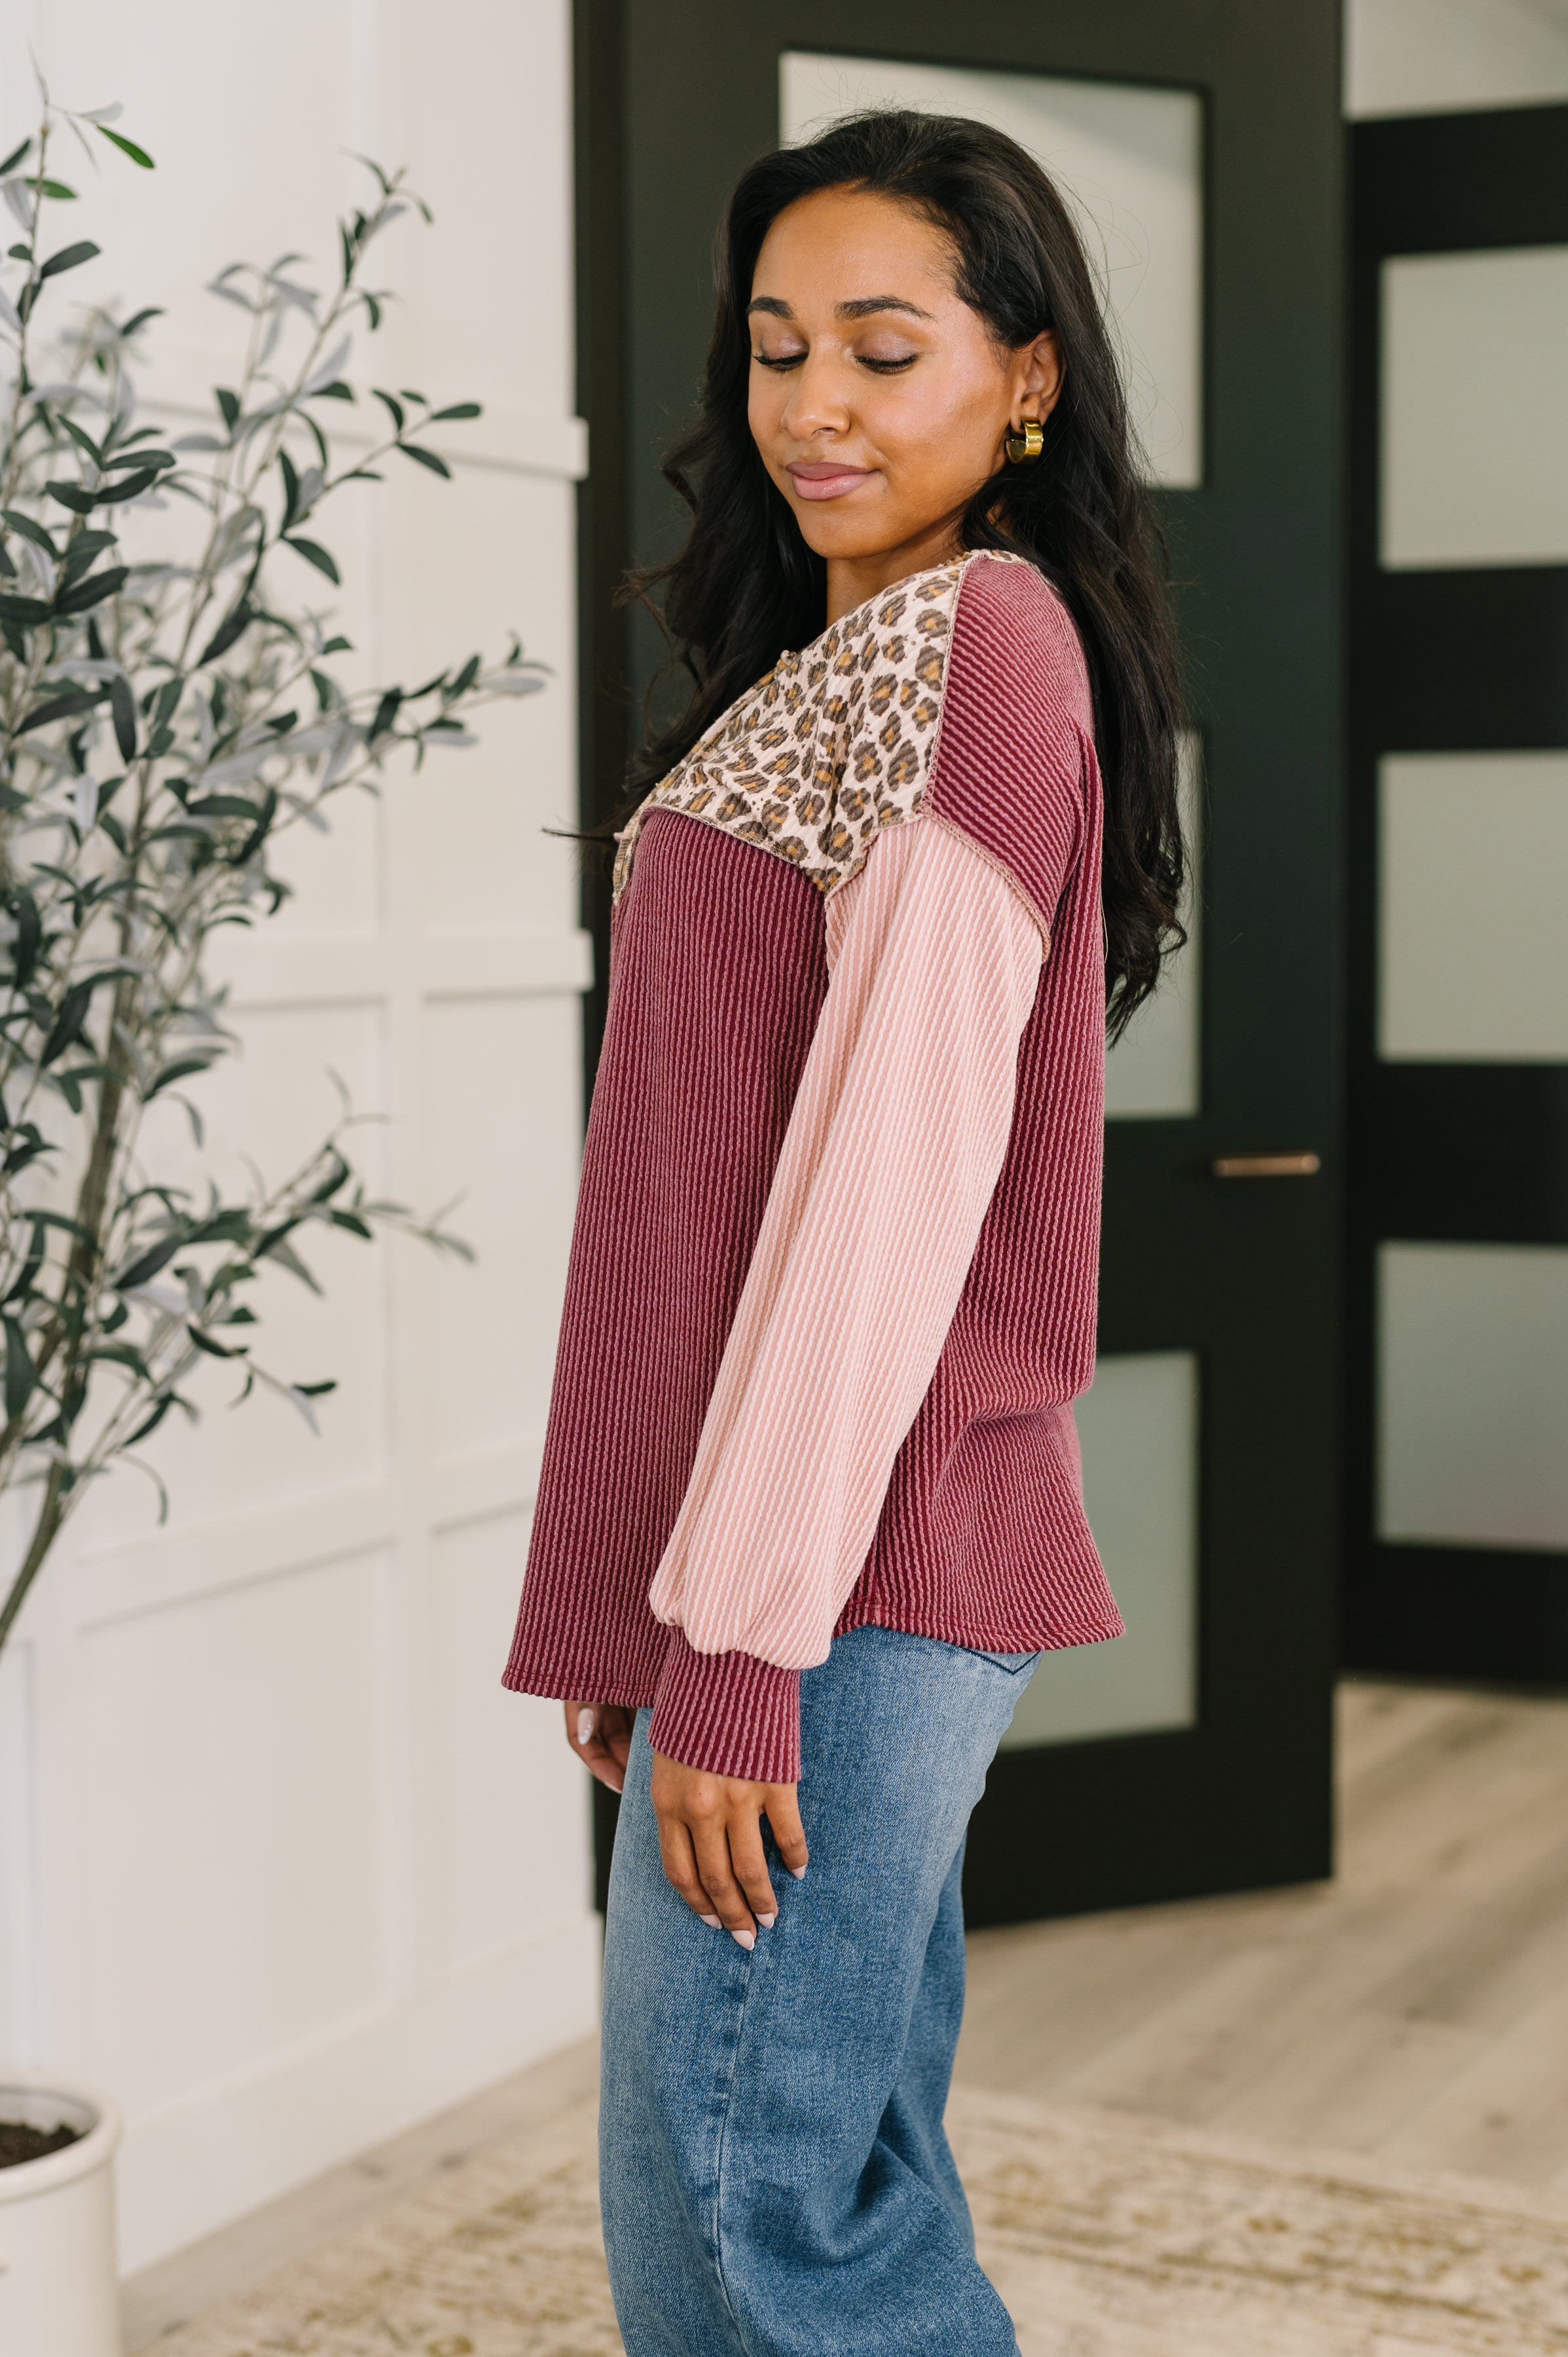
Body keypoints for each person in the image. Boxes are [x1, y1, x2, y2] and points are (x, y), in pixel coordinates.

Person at [503, 107, 1184, 2356]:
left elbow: (882, 1200)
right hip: (808, 1579)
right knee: (817, 2184)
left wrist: (731, 1643)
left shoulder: (973, 645)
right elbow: (705, 1187)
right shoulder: (855, 662)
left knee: (748, 2226)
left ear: (1024, 376)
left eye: (883, 351)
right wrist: (652, 1596)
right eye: (776, 346)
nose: (813, 404)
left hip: (837, 1594)